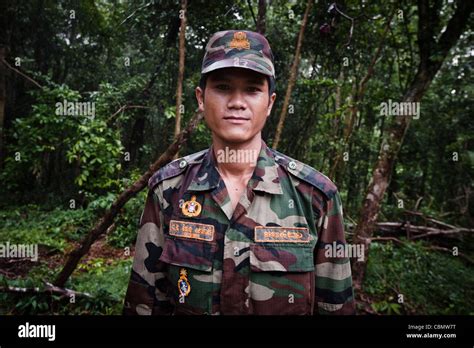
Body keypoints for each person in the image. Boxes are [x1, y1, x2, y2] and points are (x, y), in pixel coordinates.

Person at [123, 30, 355, 315]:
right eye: (222, 87)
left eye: (252, 89)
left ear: (269, 102)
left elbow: (336, 306)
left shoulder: (316, 196)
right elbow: (144, 304)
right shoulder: (168, 190)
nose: (236, 102)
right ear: (200, 98)